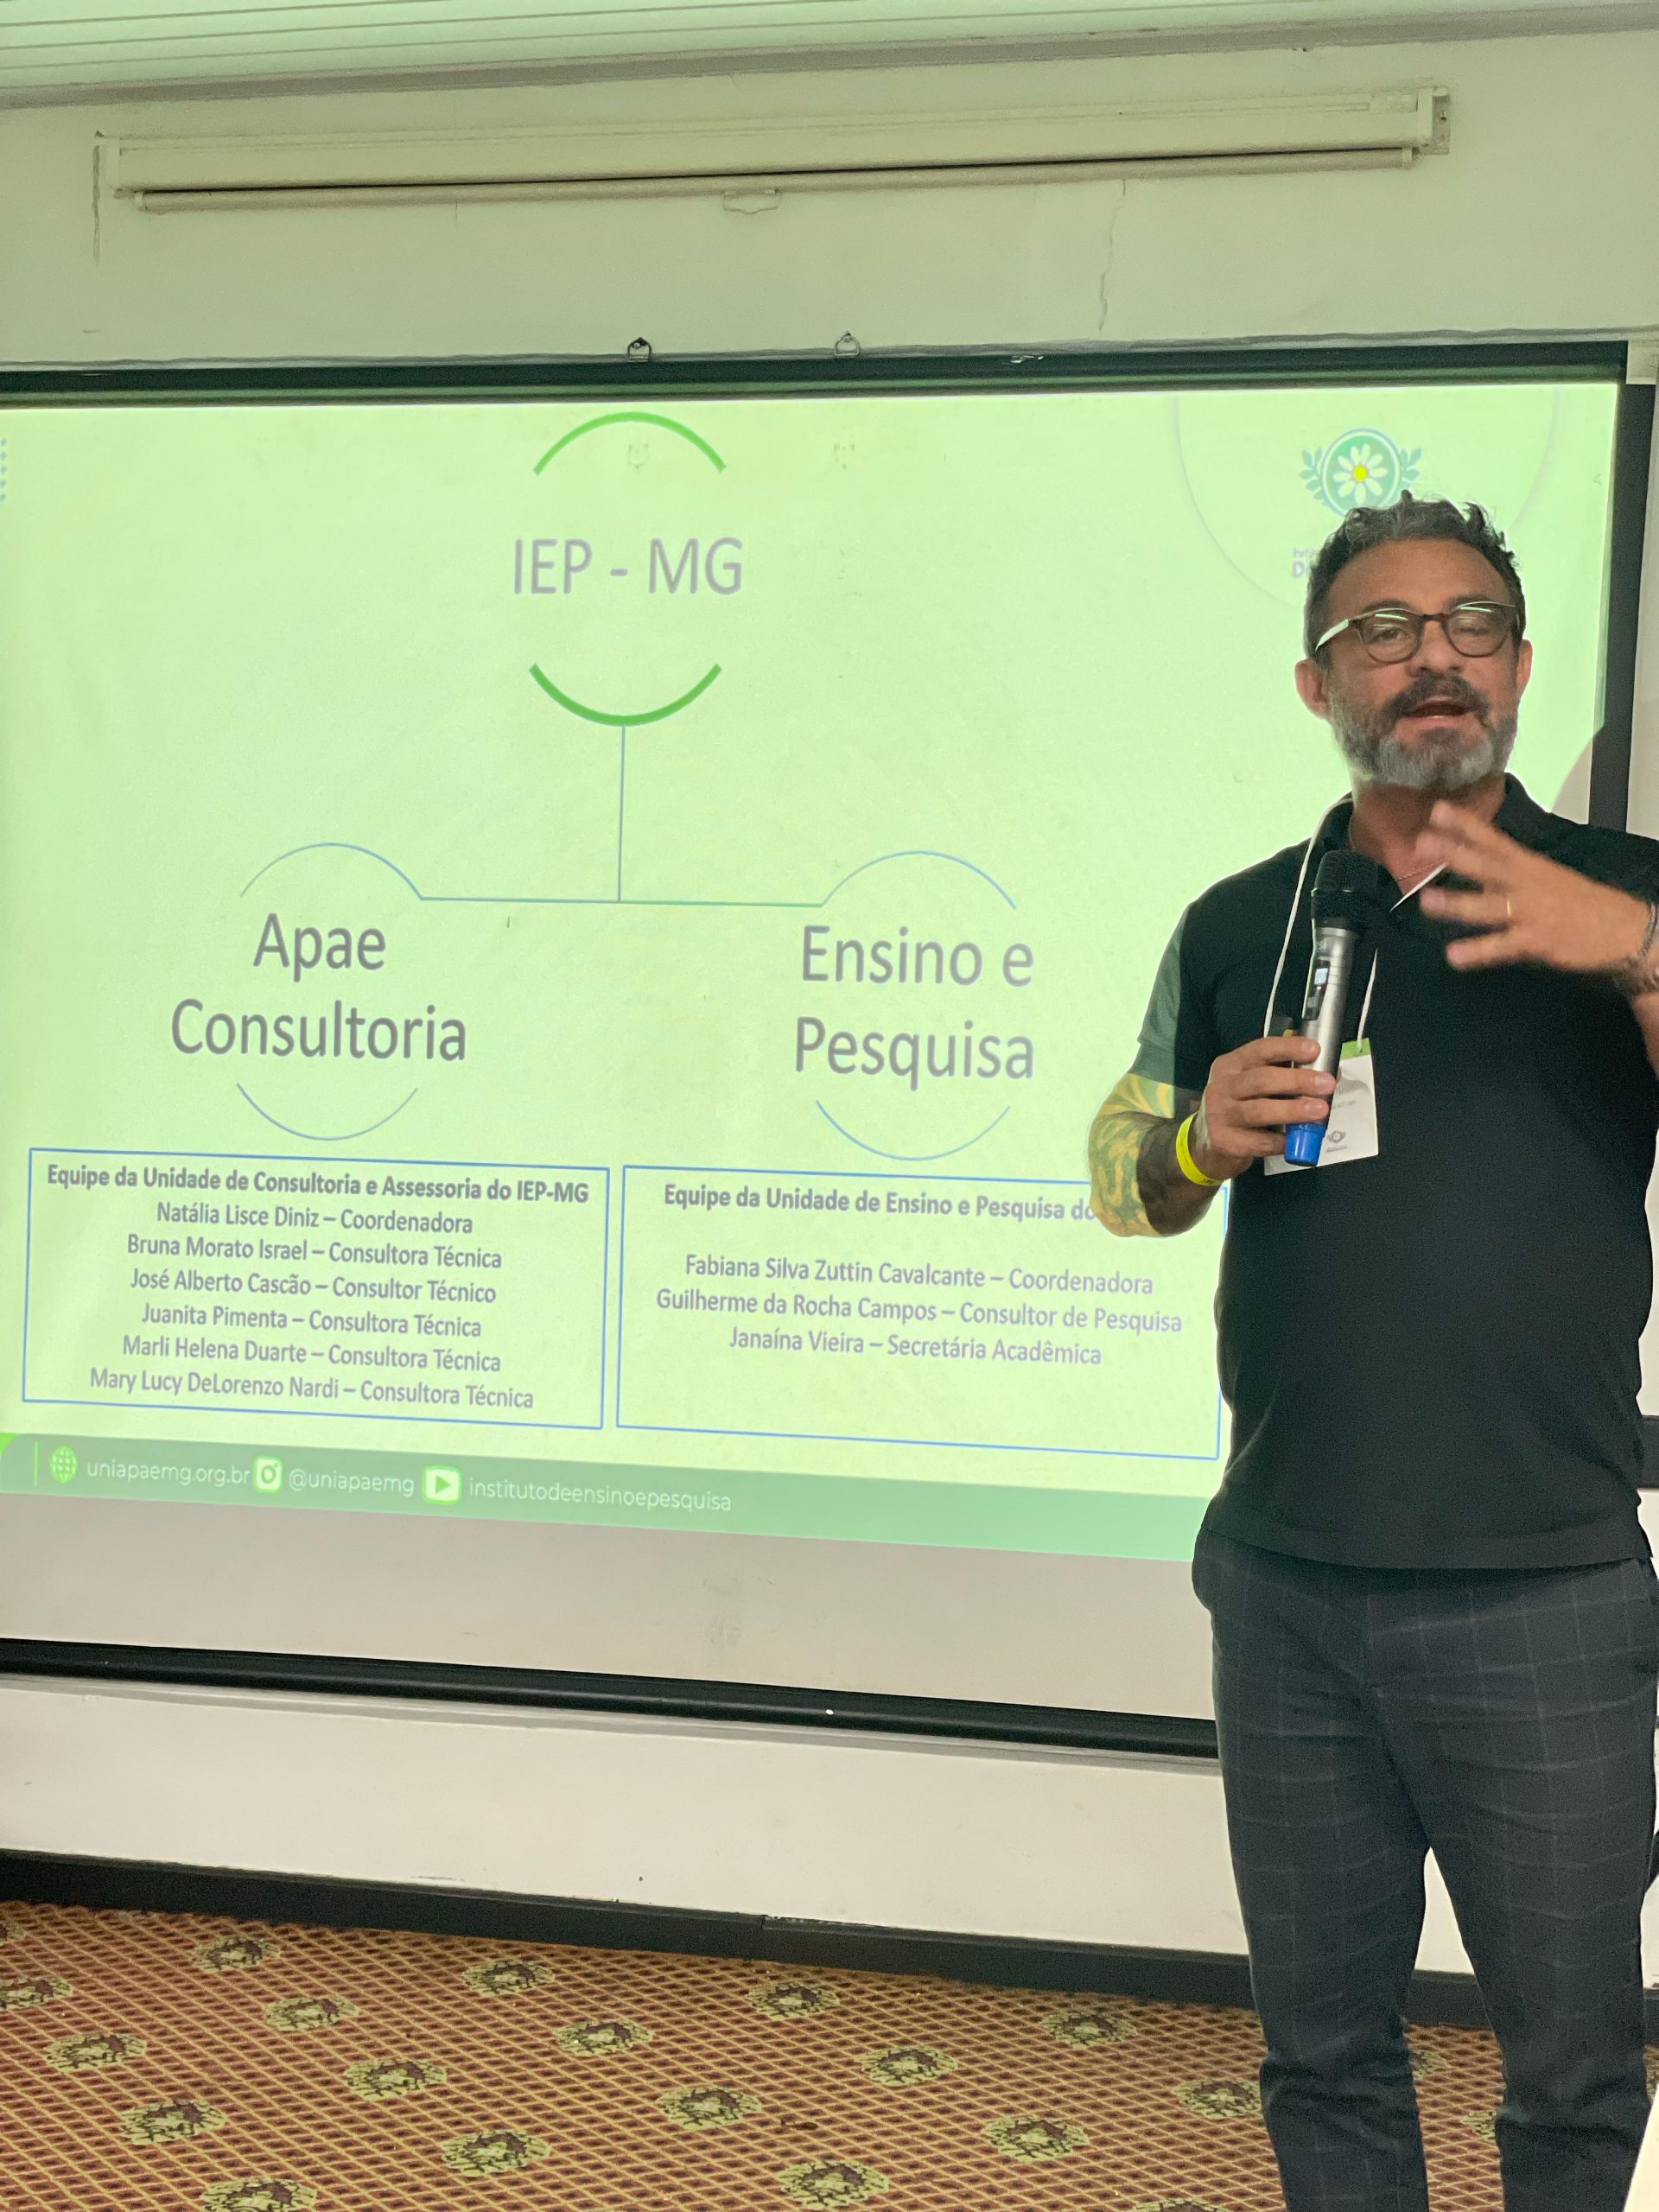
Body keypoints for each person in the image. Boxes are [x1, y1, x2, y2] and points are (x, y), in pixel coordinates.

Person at [1088, 493, 1659, 2212]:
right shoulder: (1241, 923)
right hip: (1286, 1589)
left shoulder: (1632, 893)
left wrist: (1632, 952)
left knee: (1576, 2069)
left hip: (1542, 1591)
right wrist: (1195, 1141)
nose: (1433, 657)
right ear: (1317, 682)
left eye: (1472, 622)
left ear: (1524, 665)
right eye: (1383, 630)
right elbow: (1119, 1174)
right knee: (1323, 2051)